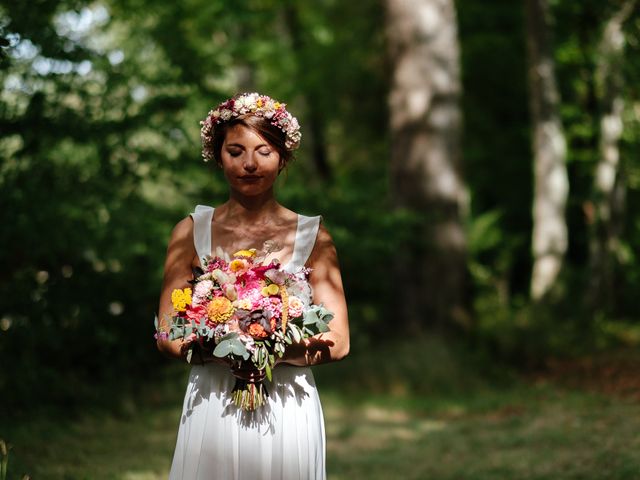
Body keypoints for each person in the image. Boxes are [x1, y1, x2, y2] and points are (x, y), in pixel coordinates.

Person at [156, 92, 350, 480]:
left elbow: (339, 341)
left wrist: (264, 350)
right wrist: (225, 348)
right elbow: (166, 334)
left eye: (264, 151)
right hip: (213, 401)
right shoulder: (191, 232)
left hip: (287, 404)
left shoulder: (314, 236)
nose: (249, 163)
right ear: (217, 155)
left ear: (283, 157)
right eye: (235, 151)